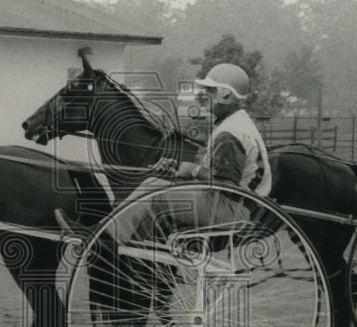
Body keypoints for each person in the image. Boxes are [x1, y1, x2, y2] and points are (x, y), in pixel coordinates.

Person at [57, 63, 271, 244]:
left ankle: (104, 238)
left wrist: (193, 170)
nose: (205, 95)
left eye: (211, 91)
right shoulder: (236, 123)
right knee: (153, 182)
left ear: (225, 95)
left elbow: (226, 185)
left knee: (154, 192)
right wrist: (178, 171)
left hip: (232, 210)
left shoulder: (230, 133)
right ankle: (110, 234)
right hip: (234, 205)